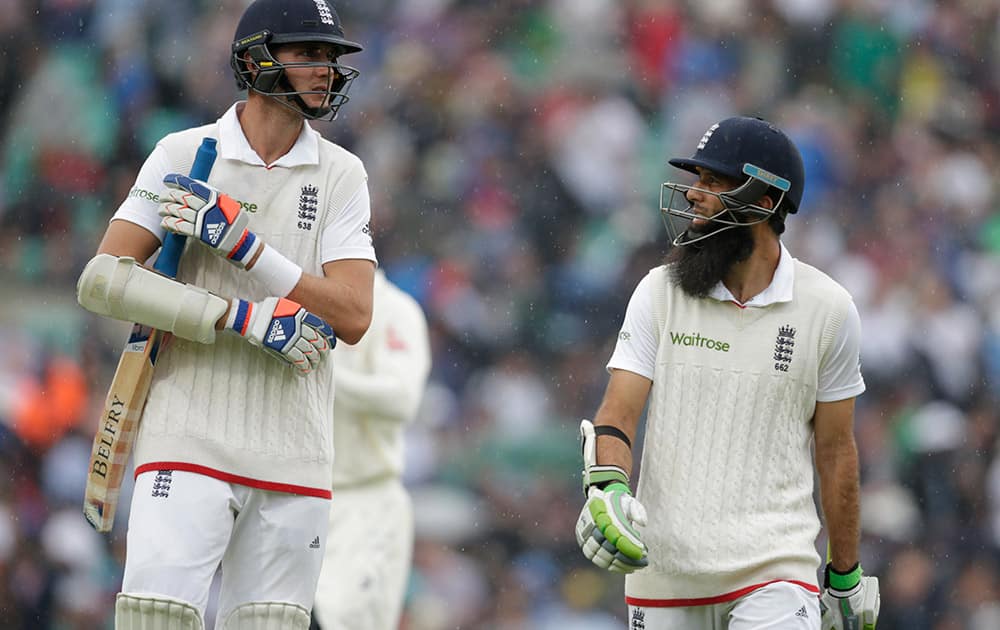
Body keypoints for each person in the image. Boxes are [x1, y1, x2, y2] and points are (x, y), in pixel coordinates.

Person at [75, 1, 375, 628]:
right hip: (187, 435)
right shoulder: (184, 152)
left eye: (330, 58)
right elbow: (103, 280)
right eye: (308, 54)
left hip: (296, 451)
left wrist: (250, 251)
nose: (325, 71)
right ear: (254, 58)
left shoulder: (343, 174)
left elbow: (353, 313)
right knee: (154, 618)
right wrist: (242, 319)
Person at [574, 116, 881, 630]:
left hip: (776, 571)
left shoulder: (829, 309)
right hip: (664, 576)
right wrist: (607, 486)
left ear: (765, 201)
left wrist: (844, 573)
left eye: (714, 182)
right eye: (696, 179)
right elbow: (619, 412)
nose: (694, 194)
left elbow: (835, 451)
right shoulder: (659, 290)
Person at [311, 269, 431, 630]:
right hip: (293, 495)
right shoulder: (295, 297)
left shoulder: (395, 309)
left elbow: (402, 398)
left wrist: (326, 376)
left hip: (363, 503)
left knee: (341, 622)